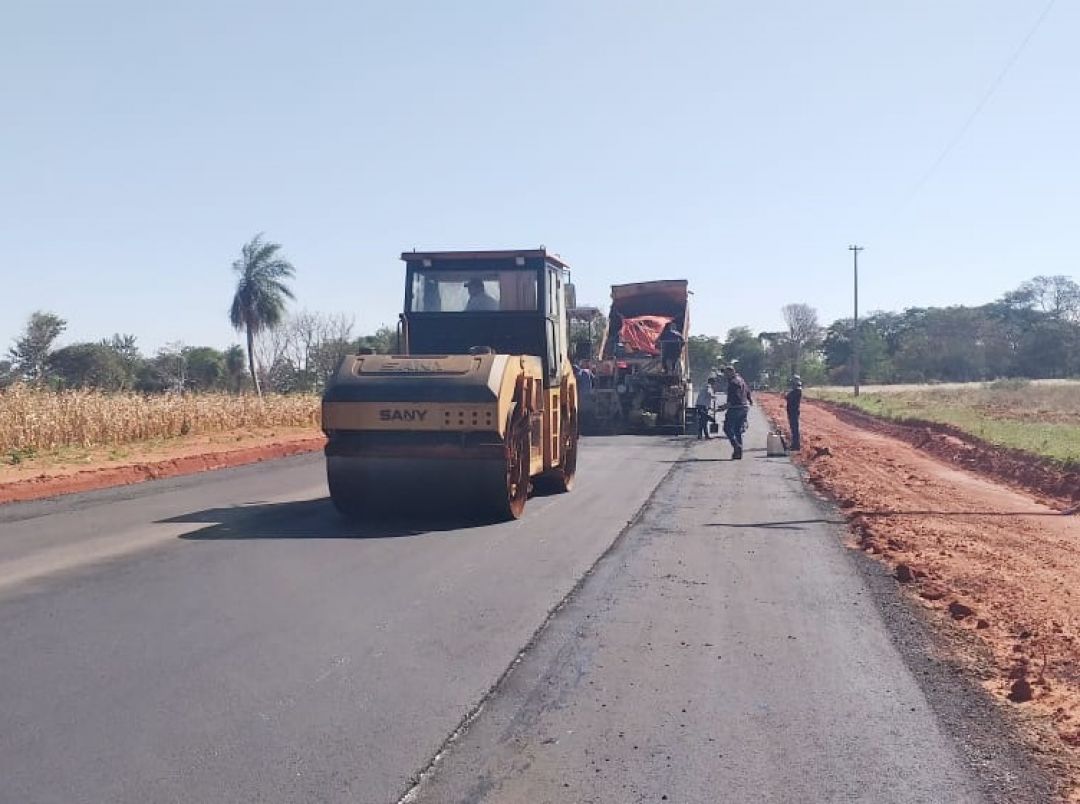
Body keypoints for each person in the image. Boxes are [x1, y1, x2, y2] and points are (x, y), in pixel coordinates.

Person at [716, 364, 751, 460]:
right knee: (737, 430)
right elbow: (748, 392)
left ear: (732, 372)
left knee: (727, 428)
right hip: (744, 407)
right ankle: (738, 453)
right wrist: (749, 401)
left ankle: (736, 446)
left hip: (736, 408)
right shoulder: (741, 380)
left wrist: (724, 407)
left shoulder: (733, 383)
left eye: (726, 373)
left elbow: (734, 399)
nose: (725, 376)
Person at [784, 374, 803, 450]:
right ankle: (794, 444)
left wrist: (787, 394)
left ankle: (796, 445)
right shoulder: (795, 390)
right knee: (793, 428)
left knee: (795, 428)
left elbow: (788, 397)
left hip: (794, 411)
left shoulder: (797, 390)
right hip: (792, 411)